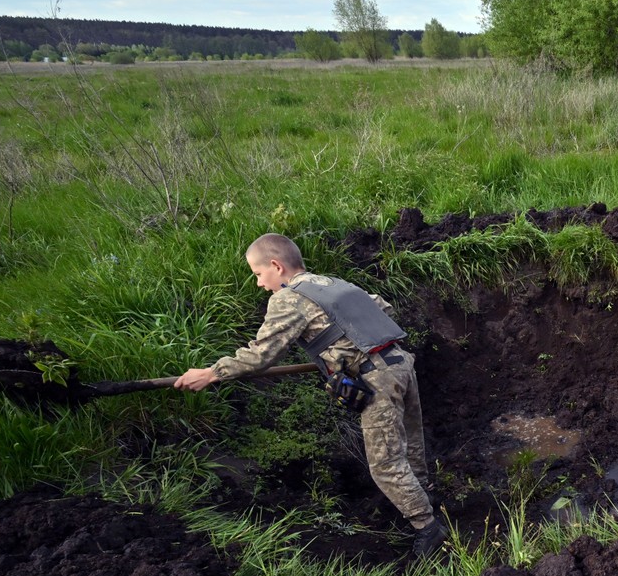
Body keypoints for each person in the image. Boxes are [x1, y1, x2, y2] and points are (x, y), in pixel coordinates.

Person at [175, 233, 447, 557]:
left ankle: (428, 529)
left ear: (276, 266)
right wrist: (343, 345)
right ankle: (426, 499)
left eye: (259, 274)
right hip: (400, 363)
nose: (260, 284)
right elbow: (382, 307)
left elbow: (262, 354)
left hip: (377, 378)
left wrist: (211, 373)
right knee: (411, 443)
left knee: (385, 464)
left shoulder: (288, 298)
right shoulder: (331, 283)